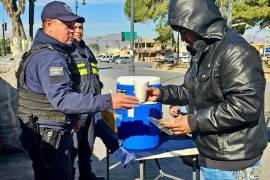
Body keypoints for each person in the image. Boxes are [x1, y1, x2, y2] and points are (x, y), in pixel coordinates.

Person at [16, 1, 139, 180]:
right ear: (48, 24)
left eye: (74, 25)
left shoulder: (54, 52)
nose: (72, 30)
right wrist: (109, 100)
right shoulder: (49, 58)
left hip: (54, 128)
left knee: (78, 159)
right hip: (49, 137)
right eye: (67, 25)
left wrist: (72, 118)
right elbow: (63, 99)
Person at [146, 0, 267, 179]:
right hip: (213, 157)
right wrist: (162, 94)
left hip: (231, 164)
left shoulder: (235, 50)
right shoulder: (204, 50)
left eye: (185, 30)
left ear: (199, 21)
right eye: (179, 32)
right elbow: (191, 91)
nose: (182, 38)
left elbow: (245, 106)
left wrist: (194, 122)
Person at [71, 20, 125, 179]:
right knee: (72, 151)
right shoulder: (67, 51)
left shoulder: (87, 51)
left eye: (80, 28)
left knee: (87, 149)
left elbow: (94, 78)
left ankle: (86, 176)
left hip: (93, 107)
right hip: (78, 109)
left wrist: (99, 89)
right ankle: (120, 151)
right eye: (74, 28)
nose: (78, 31)